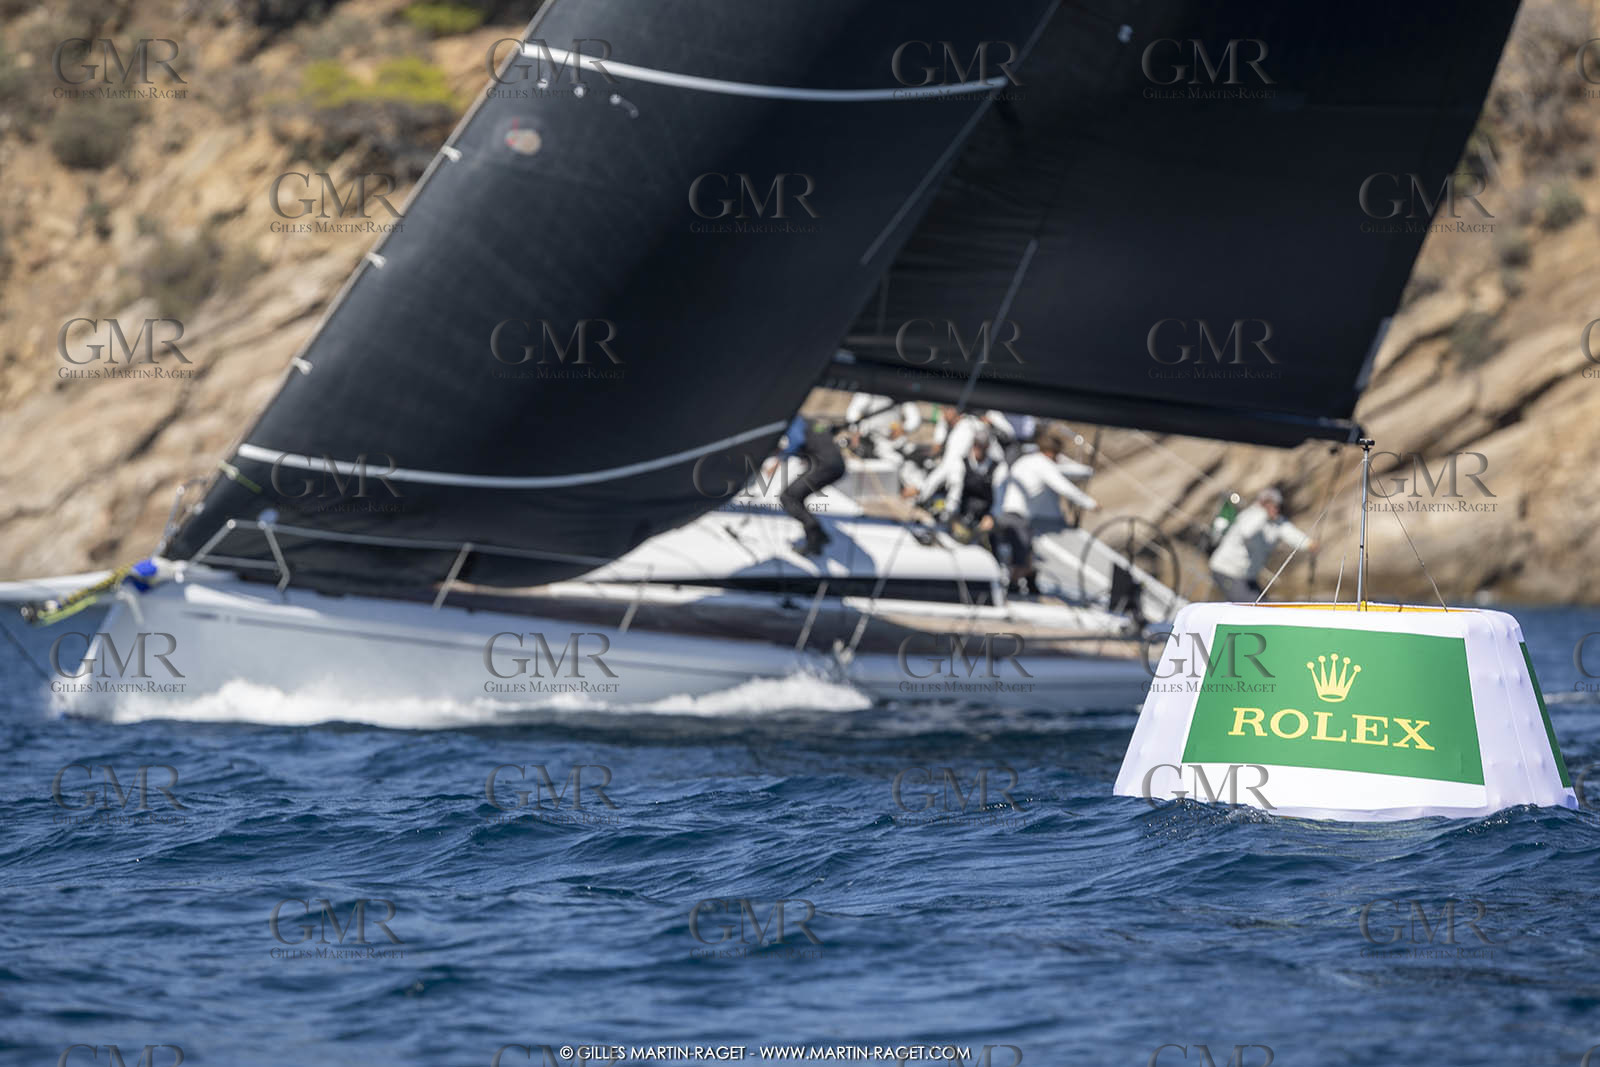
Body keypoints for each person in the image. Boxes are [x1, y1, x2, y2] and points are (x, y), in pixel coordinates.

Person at [991, 428, 1099, 595]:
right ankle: (1011, 590)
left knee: (1027, 556)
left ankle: (1031, 587)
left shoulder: (1025, 461)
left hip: (1006, 513)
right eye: (1056, 456)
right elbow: (1063, 487)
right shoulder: (1043, 464)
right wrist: (1090, 504)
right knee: (1022, 561)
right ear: (1050, 453)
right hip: (1018, 518)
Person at [1208, 487, 1315, 601]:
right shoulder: (1250, 515)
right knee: (1248, 605)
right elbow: (1246, 532)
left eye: (1276, 505)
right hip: (1226, 570)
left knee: (1264, 604)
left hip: (1246, 577)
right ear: (1262, 503)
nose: (1275, 508)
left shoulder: (1276, 522)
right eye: (1270, 504)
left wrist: (1309, 544)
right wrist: (1264, 514)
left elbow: (1290, 533)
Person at [772, 412, 846, 556]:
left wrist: (779, 459)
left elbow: (797, 440)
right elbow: (823, 435)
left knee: (788, 497)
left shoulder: (794, 420)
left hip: (825, 466)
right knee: (796, 497)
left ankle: (815, 536)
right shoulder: (810, 421)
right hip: (836, 466)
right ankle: (820, 536)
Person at [912, 429, 1001, 541]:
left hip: (984, 519)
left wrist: (992, 516)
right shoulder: (961, 464)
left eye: (982, 445)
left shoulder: (997, 469)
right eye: (976, 444)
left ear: (987, 447)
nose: (978, 448)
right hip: (961, 515)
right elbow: (955, 491)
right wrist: (951, 514)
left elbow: (999, 498)